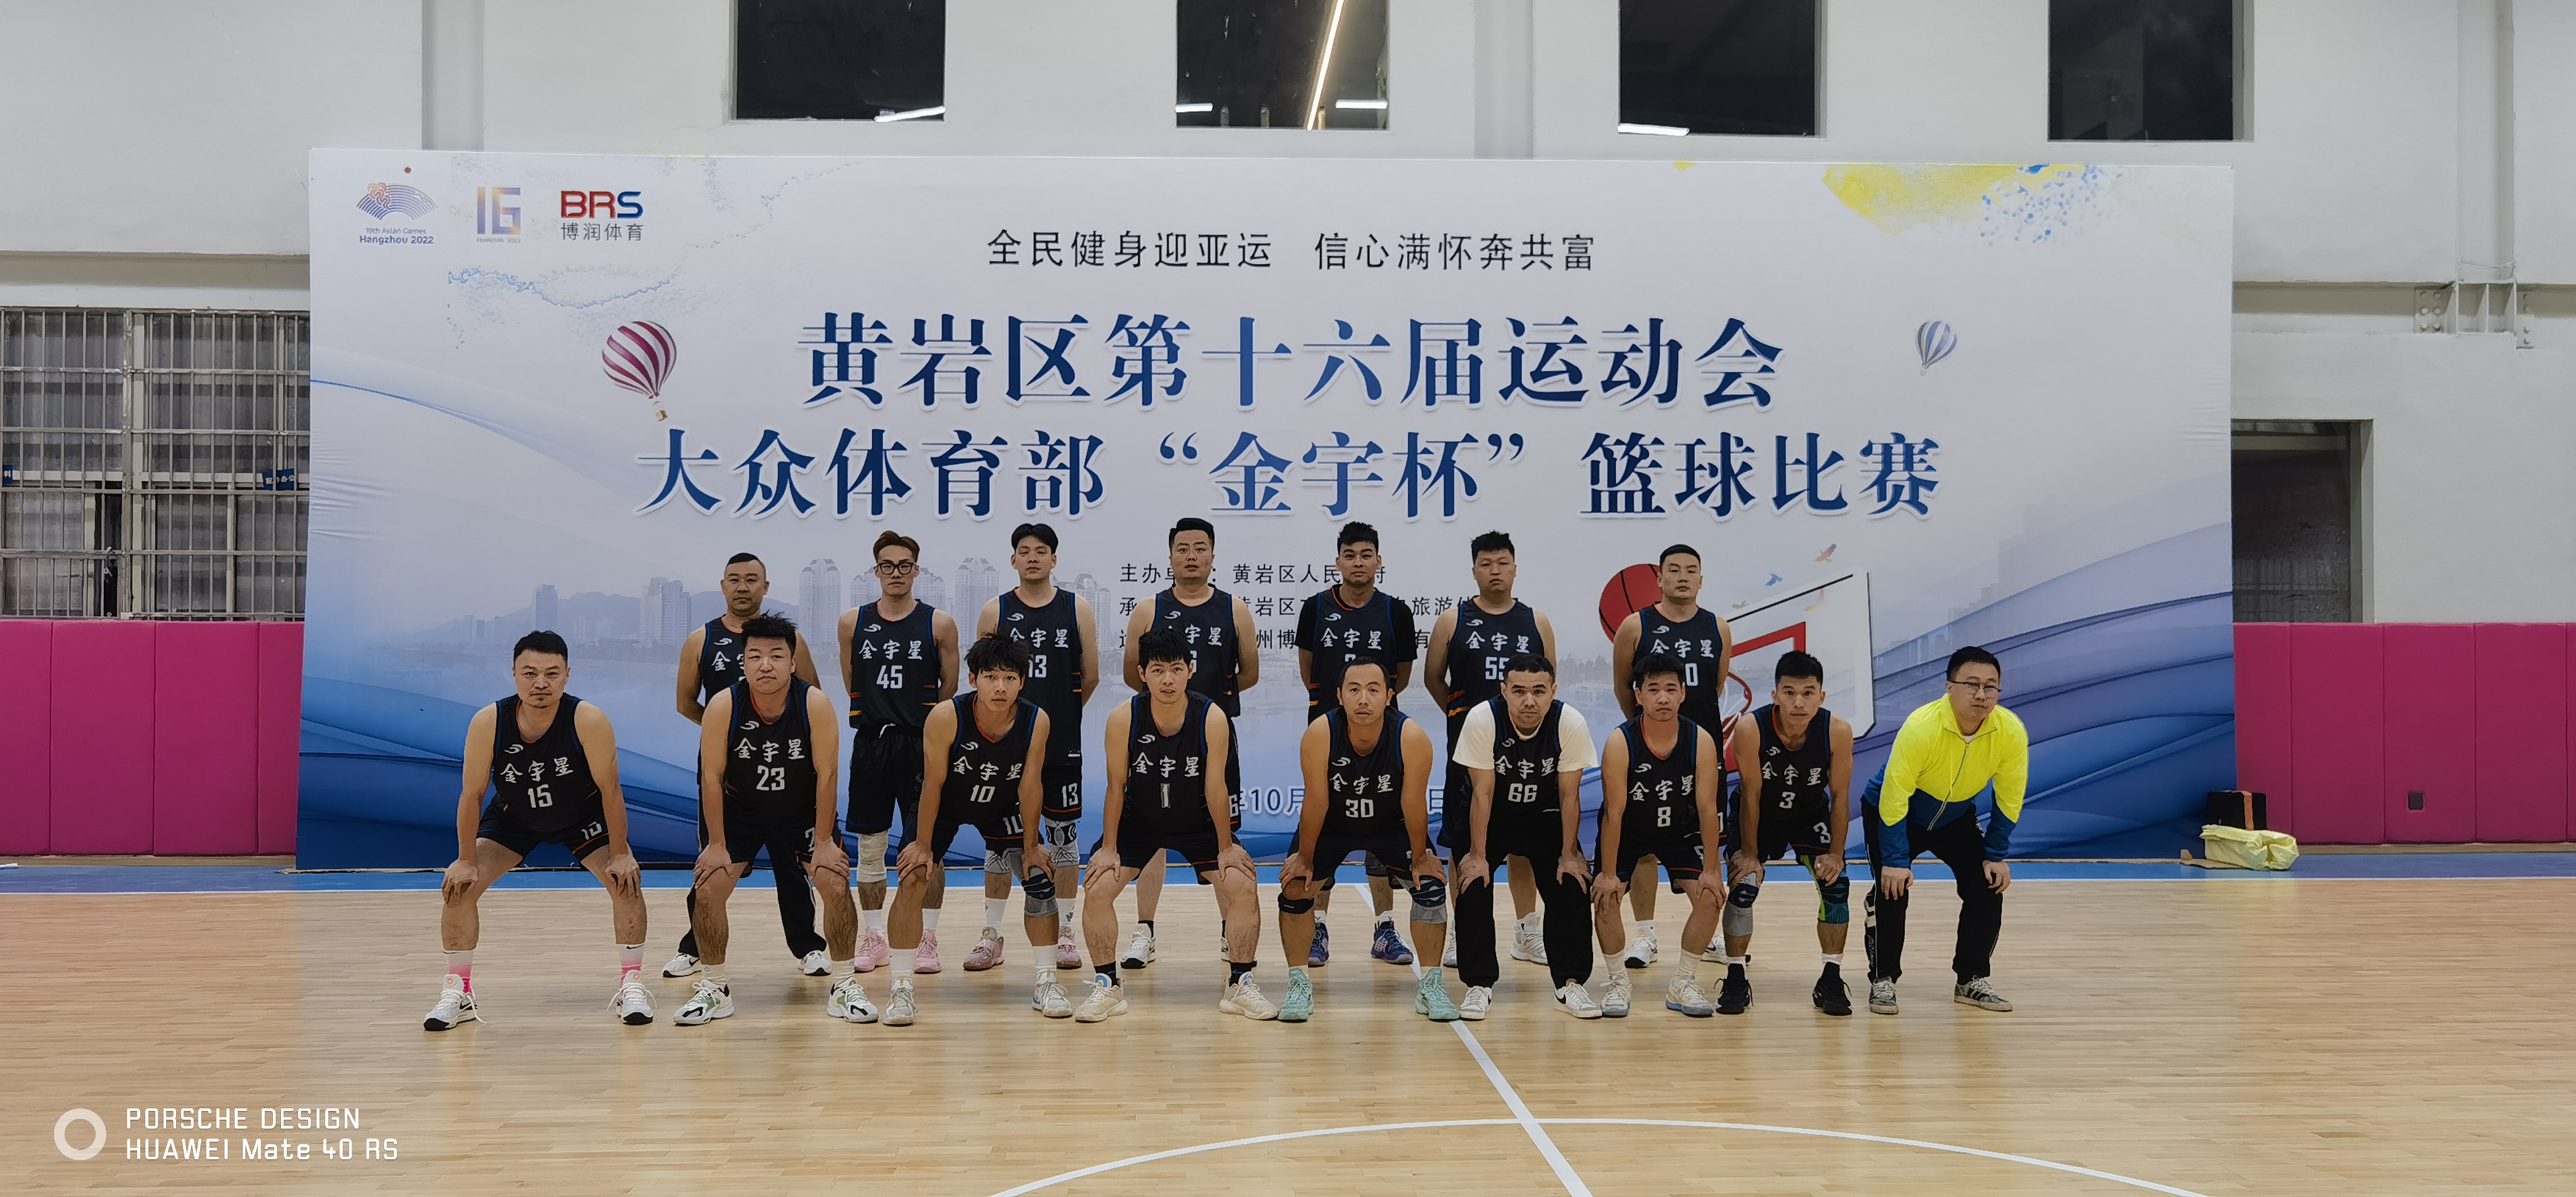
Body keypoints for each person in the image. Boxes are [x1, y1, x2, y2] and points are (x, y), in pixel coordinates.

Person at [427, 631, 650, 1030]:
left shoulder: (588, 719)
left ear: (567, 675)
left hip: (582, 816)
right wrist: (464, 860)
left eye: (552, 673)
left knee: (626, 883)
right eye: (529, 673)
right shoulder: (489, 721)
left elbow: (611, 790)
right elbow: (471, 794)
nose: (540, 683)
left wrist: (620, 853)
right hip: (514, 818)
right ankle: (458, 991)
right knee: (459, 888)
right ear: (514, 674)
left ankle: (631, 984)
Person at [675, 617, 870, 1026]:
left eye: (777, 656)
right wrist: (716, 845)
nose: (766, 665)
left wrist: (823, 842)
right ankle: (715, 988)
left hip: (800, 812)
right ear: (743, 662)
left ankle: (844, 984)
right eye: (755, 656)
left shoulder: (814, 704)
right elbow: (711, 777)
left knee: (835, 882)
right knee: (708, 888)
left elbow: (828, 775)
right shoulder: (724, 705)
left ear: (793, 663)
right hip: (741, 811)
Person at [1074, 628, 1275, 1022]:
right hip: (1139, 823)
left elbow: (1216, 788)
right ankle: (1107, 986)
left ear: (1190, 671)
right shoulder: (1123, 718)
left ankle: (1240, 984)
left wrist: (1225, 847)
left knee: (1242, 885)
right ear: (1142, 674)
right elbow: (1115, 787)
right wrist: (1109, 848)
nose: (1168, 679)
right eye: (1158, 670)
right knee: (1097, 888)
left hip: (1198, 823)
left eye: (1176, 669)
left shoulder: (1211, 717)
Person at [882, 634, 1066, 1026]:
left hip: (1002, 805)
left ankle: (1047, 981)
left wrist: (1032, 847)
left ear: (1022, 682)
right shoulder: (947, 716)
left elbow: (1030, 785)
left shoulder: (1037, 721)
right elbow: (933, 784)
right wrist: (923, 845)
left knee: (1039, 879)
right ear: (973, 679)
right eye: (991, 677)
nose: (1000, 687)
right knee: (913, 877)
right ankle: (901, 987)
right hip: (945, 804)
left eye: (1010, 678)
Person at [667, 553, 828, 979]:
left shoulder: (789, 639)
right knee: (714, 862)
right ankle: (695, 946)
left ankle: (808, 947)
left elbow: (813, 696)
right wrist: (727, 733)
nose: (743, 587)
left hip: (787, 770)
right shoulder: (701, 639)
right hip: (726, 775)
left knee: (793, 865)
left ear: (765, 587)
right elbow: (685, 702)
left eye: (752, 579)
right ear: (723, 586)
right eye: (735, 579)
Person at [1117, 517, 1259, 971]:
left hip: (1214, 738)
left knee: (1222, 836)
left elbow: (1249, 673)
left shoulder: (1235, 609)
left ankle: (1230, 931)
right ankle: (1145, 931)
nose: (1192, 556)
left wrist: (1205, 711)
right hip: (1156, 741)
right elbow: (1131, 674)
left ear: (1213, 555)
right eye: (1183, 548)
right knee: (1151, 834)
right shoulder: (1148, 609)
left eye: (1200, 548)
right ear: (1171, 556)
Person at [1276, 656, 1450, 1023]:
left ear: (1389, 696)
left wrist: (1421, 856)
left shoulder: (1411, 737)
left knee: (1431, 886)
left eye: (1373, 690)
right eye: (1354, 690)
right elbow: (1316, 800)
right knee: (1295, 887)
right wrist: (1305, 857)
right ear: (1340, 696)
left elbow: (1414, 802)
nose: (1364, 699)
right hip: (1334, 824)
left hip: (1391, 823)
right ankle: (1298, 984)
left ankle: (1431, 985)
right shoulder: (1321, 733)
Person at [1863, 646, 2026, 1017]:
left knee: (1987, 884)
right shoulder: (1922, 726)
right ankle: (1883, 980)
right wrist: (1895, 860)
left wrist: (1995, 855)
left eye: (1990, 686)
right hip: (1895, 811)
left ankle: (1971, 979)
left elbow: (2010, 795)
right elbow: (1894, 796)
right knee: (1892, 889)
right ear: (1950, 687)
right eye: (1972, 684)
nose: (1981, 694)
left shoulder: (2010, 730)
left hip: (1954, 817)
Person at [1423, 531, 1558, 971]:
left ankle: (1526, 931)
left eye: (1503, 563)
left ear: (1515, 568)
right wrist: (1466, 722)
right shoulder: (1452, 620)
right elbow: (1434, 679)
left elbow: (1548, 685)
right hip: (1469, 754)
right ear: (1474, 570)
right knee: (1462, 844)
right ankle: (1462, 931)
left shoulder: (1536, 621)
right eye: (1486, 563)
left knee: (1523, 845)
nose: (1495, 571)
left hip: (1526, 756)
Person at [1293, 520, 1419, 968]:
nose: (1358, 562)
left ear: (1379, 561)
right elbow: (1309, 669)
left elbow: (1401, 676)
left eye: (1366, 555)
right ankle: (1318, 927)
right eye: (1350, 555)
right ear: (1338, 562)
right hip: (1329, 736)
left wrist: (1371, 708)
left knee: (1382, 827)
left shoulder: (1396, 612)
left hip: (1382, 739)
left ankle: (1385, 928)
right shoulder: (1315, 608)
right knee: (1324, 825)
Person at [1450, 654, 1601, 1020]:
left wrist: (1569, 853)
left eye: (1538, 691)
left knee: (1573, 881)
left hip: (1545, 816)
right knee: (1472, 880)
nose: (1529, 700)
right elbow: (1482, 793)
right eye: (1519, 691)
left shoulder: (1570, 722)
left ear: (1553, 691)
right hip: (1492, 815)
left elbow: (1570, 795)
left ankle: (1569, 983)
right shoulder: (1483, 718)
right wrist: (1478, 855)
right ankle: (1478, 985)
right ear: (1504, 691)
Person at [975, 523, 1097, 973]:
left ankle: (1065, 931)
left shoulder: (1076, 608)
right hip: (1004, 748)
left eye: (1041, 551)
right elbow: (983, 679)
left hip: (1061, 744)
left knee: (1063, 839)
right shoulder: (996, 610)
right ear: (1013, 560)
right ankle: (992, 934)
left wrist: (1051, 721)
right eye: (1024, 551)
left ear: (1054, 559)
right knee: (999, 844)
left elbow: (1090, 676)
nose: (1032, 558)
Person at [1605, 544, 1733, 971]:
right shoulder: (1634, 625)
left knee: (1706, 838)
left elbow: (1714, 688)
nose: (1682, 577)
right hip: (1648, 751)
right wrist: (1649, 733)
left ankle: (1708, 933)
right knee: (1643, 847)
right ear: (1659, 578)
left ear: (1701, 579)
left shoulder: (1718, 627)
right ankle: (1646, 934)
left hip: (1700, 751)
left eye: (1691, 570)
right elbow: (1625, 688)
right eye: (1673, 570)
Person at [838, 531, 960, 976]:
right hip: (872, 744)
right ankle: (874, 937)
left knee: (926, 846)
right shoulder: (853, 622)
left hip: (921, 744)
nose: (896, 573)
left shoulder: (938, 624)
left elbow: (950, 688)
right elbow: (852, 678)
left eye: (904, 565)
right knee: (871, 848)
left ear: (916, 570)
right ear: (876, 571)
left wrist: (930, 734)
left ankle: (927, 938)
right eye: (887, 565)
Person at [1719, 651, 1856, 1016]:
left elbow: (1841, 798)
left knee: (1836, 886)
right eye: (1789, 692)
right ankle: (1735, 976)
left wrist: (1836, 854)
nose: (1799, 702)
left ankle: (1830, 977)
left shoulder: (1837, 731)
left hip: (1809, 814)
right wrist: (1750, 854)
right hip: (1759, 816)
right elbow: (1751, 793)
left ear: (1821, 697)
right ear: (1775, 695)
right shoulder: (1751, 728)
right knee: (1744, 886)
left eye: (1808, 693)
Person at [1591, 653, 1724, 1019]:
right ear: (1638, 696)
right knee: (1605, 898)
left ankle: (1683, 982)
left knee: (1711, 897)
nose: (1662, 698)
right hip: (1629, 832)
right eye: (1653, 690)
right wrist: (1607, 874)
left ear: (1683, 694)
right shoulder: (1621, 741)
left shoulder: (1700, 740)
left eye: (1670, 689)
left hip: (1680, 832)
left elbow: (1708, 809)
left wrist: (1712, 870)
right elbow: (1614, 814)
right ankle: (1618, 983)